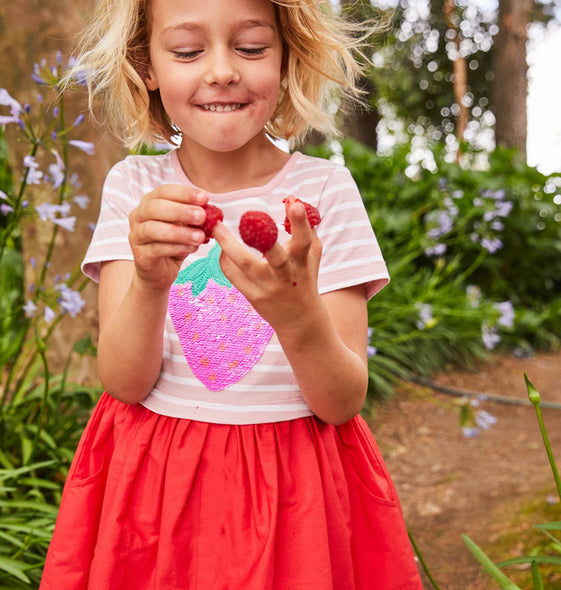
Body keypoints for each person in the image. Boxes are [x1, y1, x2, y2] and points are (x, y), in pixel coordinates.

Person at [41, 0, 424, 588]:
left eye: (250, 47)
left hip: (295, 484)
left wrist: (298, 318)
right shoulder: (134, 190)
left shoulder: (324, 192)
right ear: (147, 65)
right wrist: (149, 281)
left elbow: (342, 402)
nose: (222, 70)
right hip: (157, 482)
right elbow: (123, 381)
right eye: (189, 51)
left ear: (287, 58)